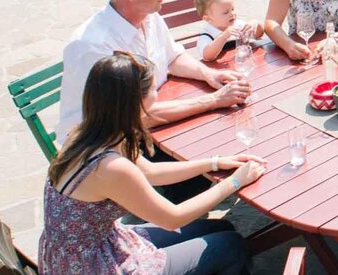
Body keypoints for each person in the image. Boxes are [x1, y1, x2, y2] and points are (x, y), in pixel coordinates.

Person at [40, 52, 267, 274]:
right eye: (152, 89)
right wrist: (235, 182)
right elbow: (172, 218)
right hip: (93, 266)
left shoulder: (87, 134)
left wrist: (214, 163)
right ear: (135, 102)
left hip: (87, 249)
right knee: (231, 245)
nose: (157, 93)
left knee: (221, 227)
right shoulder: (110, 167)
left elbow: (150, 171)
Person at [59, 0, 250, 143]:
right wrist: (213, 100)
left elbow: (173, 57)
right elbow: (135, 116)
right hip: (107, 145)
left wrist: (209, 74)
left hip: (154, 123)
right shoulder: (93, 45)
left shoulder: (148, 16)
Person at [194, 0, 265, 62]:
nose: (232, 14)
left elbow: (258, 35)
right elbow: (208, 57)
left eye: (232, 9)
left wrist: (255, 24)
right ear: (208, 18)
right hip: (220, 70)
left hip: (241, 64)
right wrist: (224, 36)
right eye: (225, 12)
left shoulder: (238, 25)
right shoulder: (207, 36)